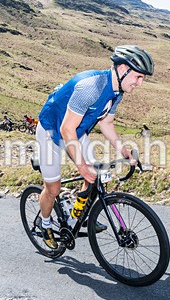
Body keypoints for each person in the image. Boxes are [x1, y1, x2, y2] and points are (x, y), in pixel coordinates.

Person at [36, 45, 151, 249]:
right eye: (139, 77)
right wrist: (81, 166)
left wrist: (124, 151)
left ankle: (75, 219)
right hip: (51, 132)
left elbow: (106, 123)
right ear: (124, 69)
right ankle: (44, 224)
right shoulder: (92, 87)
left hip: (76, 132)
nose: (140, 84)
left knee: (94, 175)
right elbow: (66, 129)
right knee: (53, 189)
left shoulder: (117, 92)